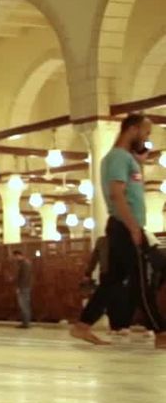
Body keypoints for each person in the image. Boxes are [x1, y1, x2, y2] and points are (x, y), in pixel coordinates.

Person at [72, 114, 166, 345]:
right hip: (126, 225)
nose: (146, 138)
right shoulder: (117, 158)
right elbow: (117, 194)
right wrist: (134, 227)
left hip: (125, 225)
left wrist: (139, 164)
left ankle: (83, 325)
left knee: (113, 280)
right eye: (145, 133)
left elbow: (129, 190)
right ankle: (161, 333)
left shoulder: (126, 159)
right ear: (132, 130)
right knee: (142, 280)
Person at [13, 250, 33, 328]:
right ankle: (25, 322)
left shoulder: (24, 264)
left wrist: (19, 287)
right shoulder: (25, 263)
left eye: (15, 256)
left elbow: (24, 277)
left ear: (18, 255)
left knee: (24, 305)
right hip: (25, 287)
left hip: (24, 287)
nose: (15, 258)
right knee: (25, 305)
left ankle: (26, 323)